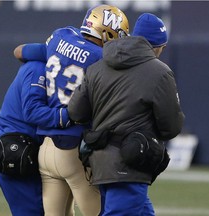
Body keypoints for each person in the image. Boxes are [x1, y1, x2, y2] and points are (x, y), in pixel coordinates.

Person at [13, 4, 129, 216]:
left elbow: (24, 50)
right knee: (99, 212)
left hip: (46, 150)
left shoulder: (60, 36)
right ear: (107, 31)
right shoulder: (101, 58)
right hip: (73, 149)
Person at [68, 13, 185, 216]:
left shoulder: (97, 67)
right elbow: (171, 126)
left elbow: (76, 111)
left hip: (100, 162)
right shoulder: (159, 72)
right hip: (131, 162)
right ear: (156, 46)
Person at [0, 60, 74, 216]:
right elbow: (33, 111)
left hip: (33, 149)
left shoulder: (53, 64)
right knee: (34, 211)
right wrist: (70, 115)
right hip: (17, 151)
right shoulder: (37, 68)